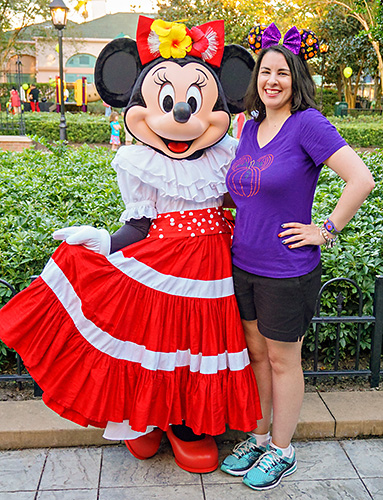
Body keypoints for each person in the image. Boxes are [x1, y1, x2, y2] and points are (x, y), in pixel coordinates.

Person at [0, 16, 262, 475]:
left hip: (212, 272)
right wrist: (101, 242)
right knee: (152, 344)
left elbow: (245, 203)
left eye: (194, 101)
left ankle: (189, 425)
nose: (181, 114)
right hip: (157, 264)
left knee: (196, 348)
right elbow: (139, 223)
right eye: (166, 100)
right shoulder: (140, 161)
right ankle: (143, 419)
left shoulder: (228, 154)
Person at [220, 23, 375, 491]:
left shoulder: (307, 124)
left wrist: (324, 231)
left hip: (287, 269)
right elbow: (243, 190)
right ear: (256, 79)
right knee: (258, 357)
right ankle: (261, 434)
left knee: (284, 361)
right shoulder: (248, 124)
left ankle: (282, 449)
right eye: (265, 72)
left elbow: (361, 180)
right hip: (243, 263)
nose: (272, 81)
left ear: (296, 79)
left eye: (282, 73)